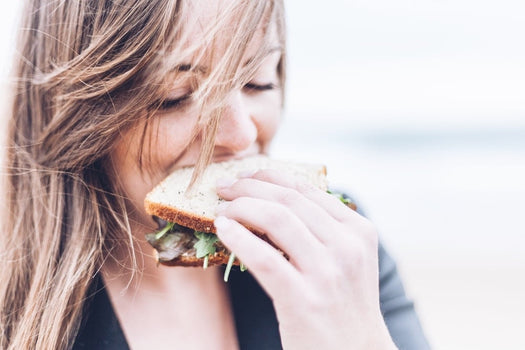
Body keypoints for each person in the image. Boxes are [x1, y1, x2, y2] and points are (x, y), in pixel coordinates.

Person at [0, 1, 430, 349]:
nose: (243, 134)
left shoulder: (338, 250)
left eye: (259, 82)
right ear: (76, 115)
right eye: (177, 97)